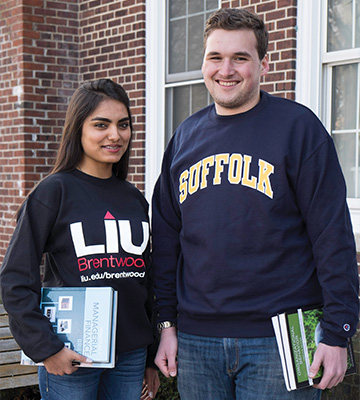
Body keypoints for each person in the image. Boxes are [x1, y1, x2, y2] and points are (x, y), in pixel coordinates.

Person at [152, 8, 359, 400]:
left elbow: (333, 237)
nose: (225, 70)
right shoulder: (184, 138)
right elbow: (166, 240)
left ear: (264, 63)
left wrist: (338, 330)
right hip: (198, 342)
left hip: (281, 340)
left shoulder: (299, 130)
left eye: (240, 58)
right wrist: (166, 324)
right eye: (215, 57)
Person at [0, 79, 159, 400]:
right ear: (78, 128)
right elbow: (16, 279)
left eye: (123, 124)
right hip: (71, 354)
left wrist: (151, 355)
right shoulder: (52, 193)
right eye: (102, 124)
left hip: (130, 354)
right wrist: (46, 348)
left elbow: (147, 282)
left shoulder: (134, 198)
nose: (115, 135)